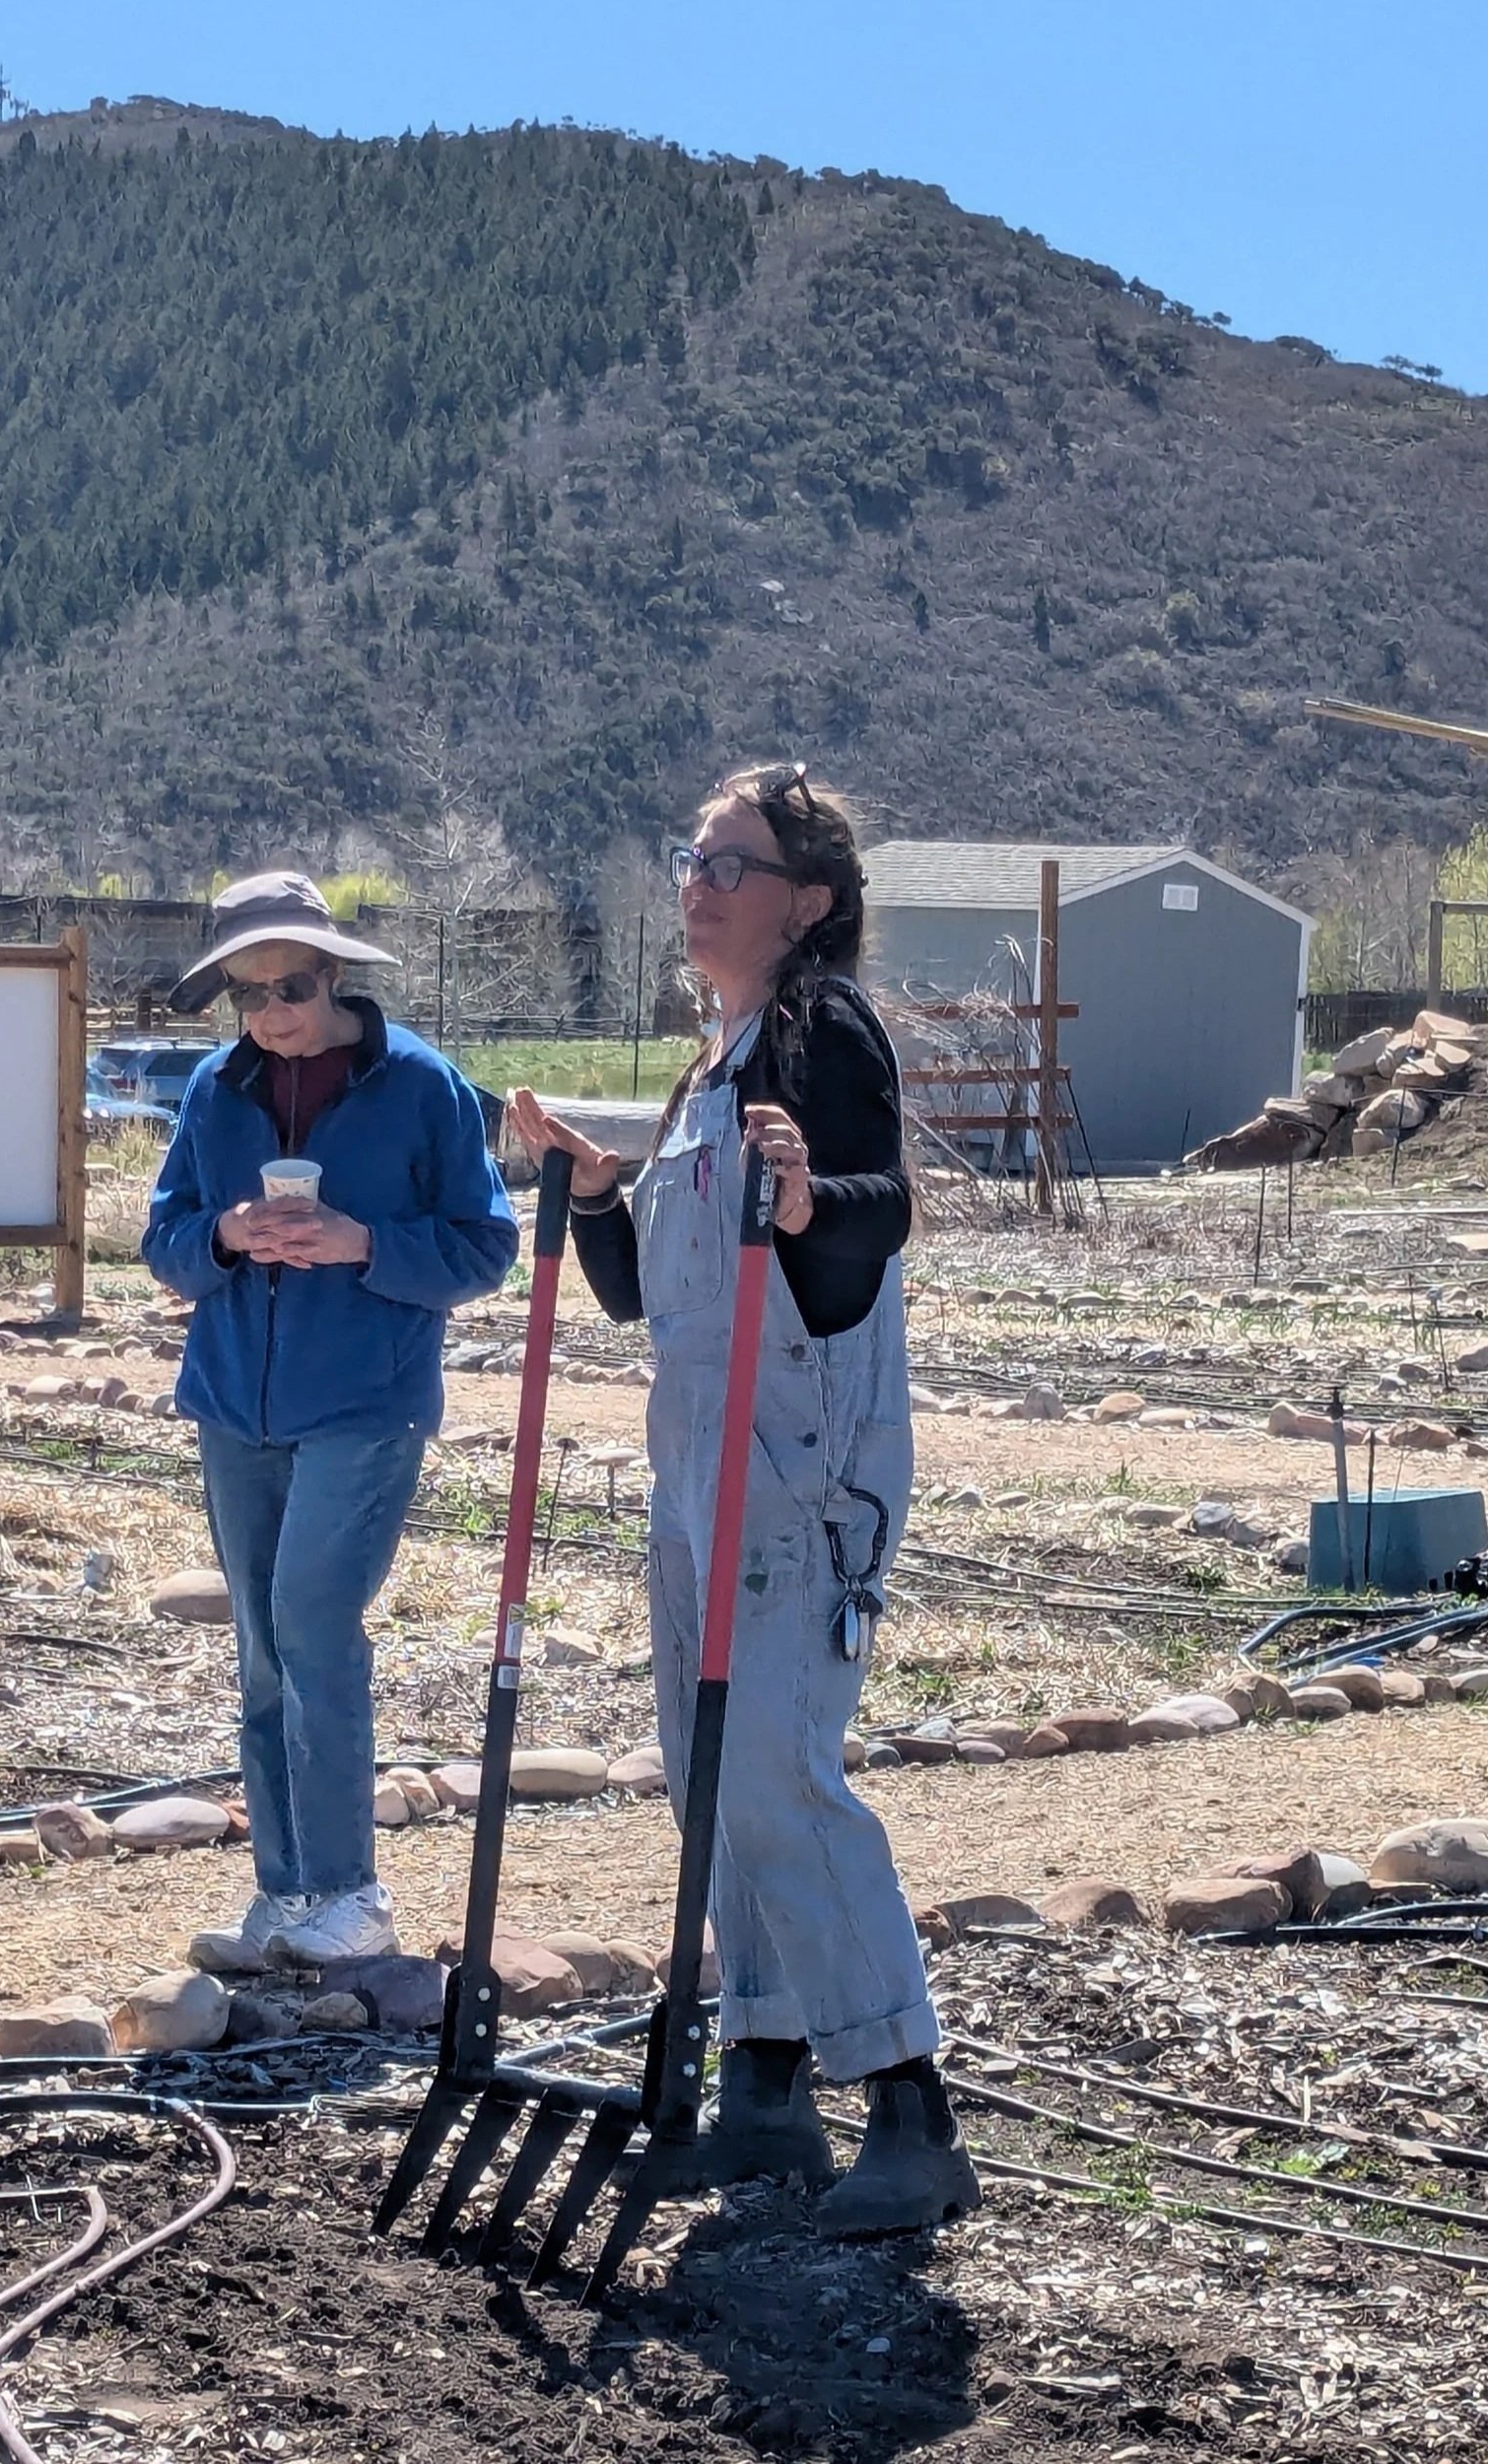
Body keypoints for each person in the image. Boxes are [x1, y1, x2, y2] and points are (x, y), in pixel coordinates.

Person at [507, 762, 981, 2237]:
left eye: (730, 864)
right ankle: (765, 2088)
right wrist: (596, 1191)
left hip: (799, 1463)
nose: (697, 886)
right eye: (692, 858)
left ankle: (909, 2108)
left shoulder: (817, 1026)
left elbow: (878, 1215)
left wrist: (806, 1200)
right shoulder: (709, 1064)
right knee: (709, 1772)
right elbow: (649, 1294)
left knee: (775, 1767)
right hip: (697, 1465)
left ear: (808, 900)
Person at [145, 872, 517, 1972]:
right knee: (262, 1651)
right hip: (234, 1404)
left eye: (292, 987)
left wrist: (363, 1244)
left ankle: (352, 1892)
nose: (272, 1013)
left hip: (364, 1406)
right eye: (247, 993)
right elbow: (165, 1240)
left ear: (335, 975)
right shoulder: (215, 1089)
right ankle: (286, 1891)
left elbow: (485, 1246)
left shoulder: (422, 1087)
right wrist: (226, 1236)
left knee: (311, 1624)